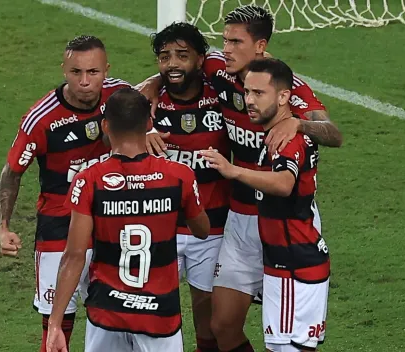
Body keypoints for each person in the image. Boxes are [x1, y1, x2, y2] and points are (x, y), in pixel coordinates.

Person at [139, 6, 340, 351]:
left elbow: (333, 133)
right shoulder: (219, 69)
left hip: (286, 221)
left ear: (260, 45)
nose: (226, 49)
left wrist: (299, 123)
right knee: (222, 325)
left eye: (235, 41)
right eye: (224, 40)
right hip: (240, 220)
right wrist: (152, 85)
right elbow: (177, 67)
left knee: (286, 339)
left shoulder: (288, 86)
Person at [46, 87, 210, 352]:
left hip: (107, 311)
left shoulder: (89, 180)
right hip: (160, 314)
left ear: (105, 125)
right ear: (148, 123)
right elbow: (202, 230)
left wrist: (55, 323)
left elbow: (74, 255)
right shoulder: (179, 175)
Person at [0, 35, 130, 351]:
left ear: (106, 70)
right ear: (64, 70)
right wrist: (3, 227)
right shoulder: (41, 119)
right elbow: (12, 172)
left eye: (93, 72)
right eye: (75, 72)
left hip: (111, 219)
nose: (85, 82)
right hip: (60, 223)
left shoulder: (121, 95)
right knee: (56, 322)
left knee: (118, 315)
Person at [201, 58, 330, 352]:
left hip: (294, 265)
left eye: (258, 94)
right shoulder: (278, 134)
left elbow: (284, 183)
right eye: (247, 93)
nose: (249, 101)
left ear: (284, 97)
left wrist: (233, 171)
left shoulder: (288, 140)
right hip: (286, 261)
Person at [150, 22, 230, 352]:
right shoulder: (148, 106)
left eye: (182, 55)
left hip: (211, 227)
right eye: (164, 56)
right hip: (162, 224)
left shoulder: (223, 98)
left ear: (200, 59)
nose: (172, 64)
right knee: (152, 313)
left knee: (208, 322)